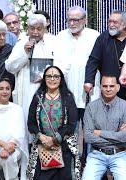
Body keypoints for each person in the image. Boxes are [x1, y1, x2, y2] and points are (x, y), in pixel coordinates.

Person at [56, 6, 100, 163]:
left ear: (85, 20)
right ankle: (70, 164)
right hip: (67, 92)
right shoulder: (61, 36)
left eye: (76, 19)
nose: (72, 23)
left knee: (90, 130)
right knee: (69, 129)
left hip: (90, 92)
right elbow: (59, 64)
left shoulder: (95, 36)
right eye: (70, 19)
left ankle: (90, 162)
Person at [26, 66, 80, 180]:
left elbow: (72, 124)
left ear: (61, 79)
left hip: (64, 147)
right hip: (42, 147)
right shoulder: (37, 98)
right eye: (49, 76)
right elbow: (31, 123)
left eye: (56, 76)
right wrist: (41, 137)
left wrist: (55, 139)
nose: (52, 79)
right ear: (44, 79)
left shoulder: (68, 98)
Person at [5, 14, 57, 120]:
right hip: (26, 90)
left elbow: (62, 65)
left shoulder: (54, 43)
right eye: (32, 28)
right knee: (26, 119)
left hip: (48, 88)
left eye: (39, 29)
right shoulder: (21, 44)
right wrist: (25, 53)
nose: (35, 32)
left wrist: (47, 76)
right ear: (27, 28)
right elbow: (9, 67)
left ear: (44, 28)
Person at [82, 75, 126, 180]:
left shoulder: (125, 106)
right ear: (100, 87)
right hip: (97, 154)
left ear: (118, 87)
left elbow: (125, 138)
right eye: (105, 86)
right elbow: (88, 137)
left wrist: (100, 132)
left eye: (111, 86)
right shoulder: (91, 107)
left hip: (119, 154)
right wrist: (117, 137)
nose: (108, 89)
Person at [85, 11, 126, 100]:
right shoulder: (103, 37)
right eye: (109, 22)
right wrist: (88, 81)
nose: (111, 25)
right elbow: (93, 60)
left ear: (124, 25)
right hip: (109, 88)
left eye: (115, 22)